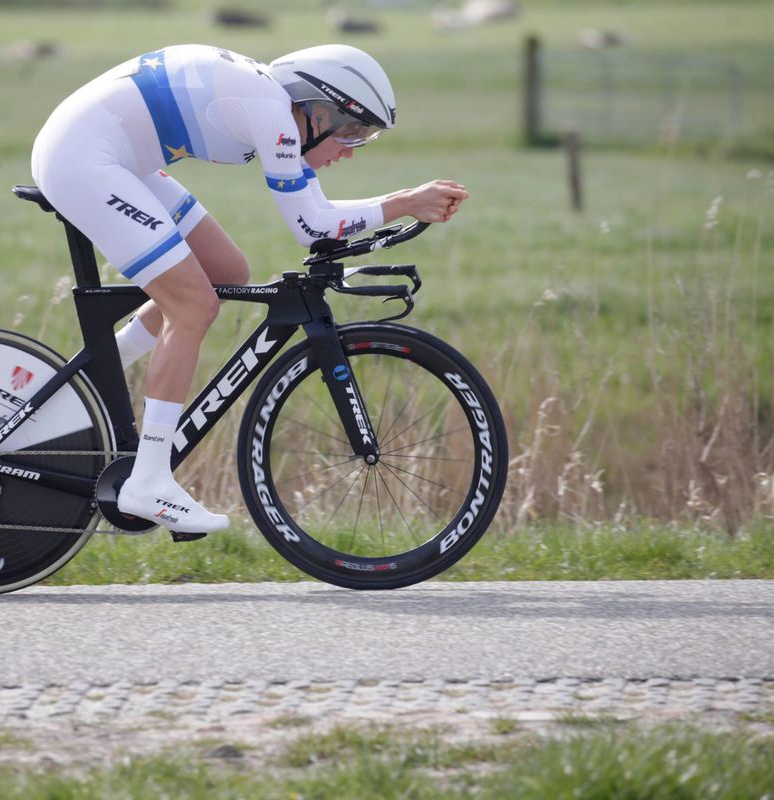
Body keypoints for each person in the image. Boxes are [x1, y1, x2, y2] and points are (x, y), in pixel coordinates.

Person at [30, 44, 468, 536]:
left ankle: (90, 378)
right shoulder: (273, 114)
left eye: (363, 137)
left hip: (115, 157)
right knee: (192, 307)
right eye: (352, 131)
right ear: (317, 111)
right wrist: (406, 201)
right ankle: (148, 480)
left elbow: (317, 214)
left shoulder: (276, 106)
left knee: (226, 269)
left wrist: (399, 205)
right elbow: (312, 226)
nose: (349, 150)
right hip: (85, 159)